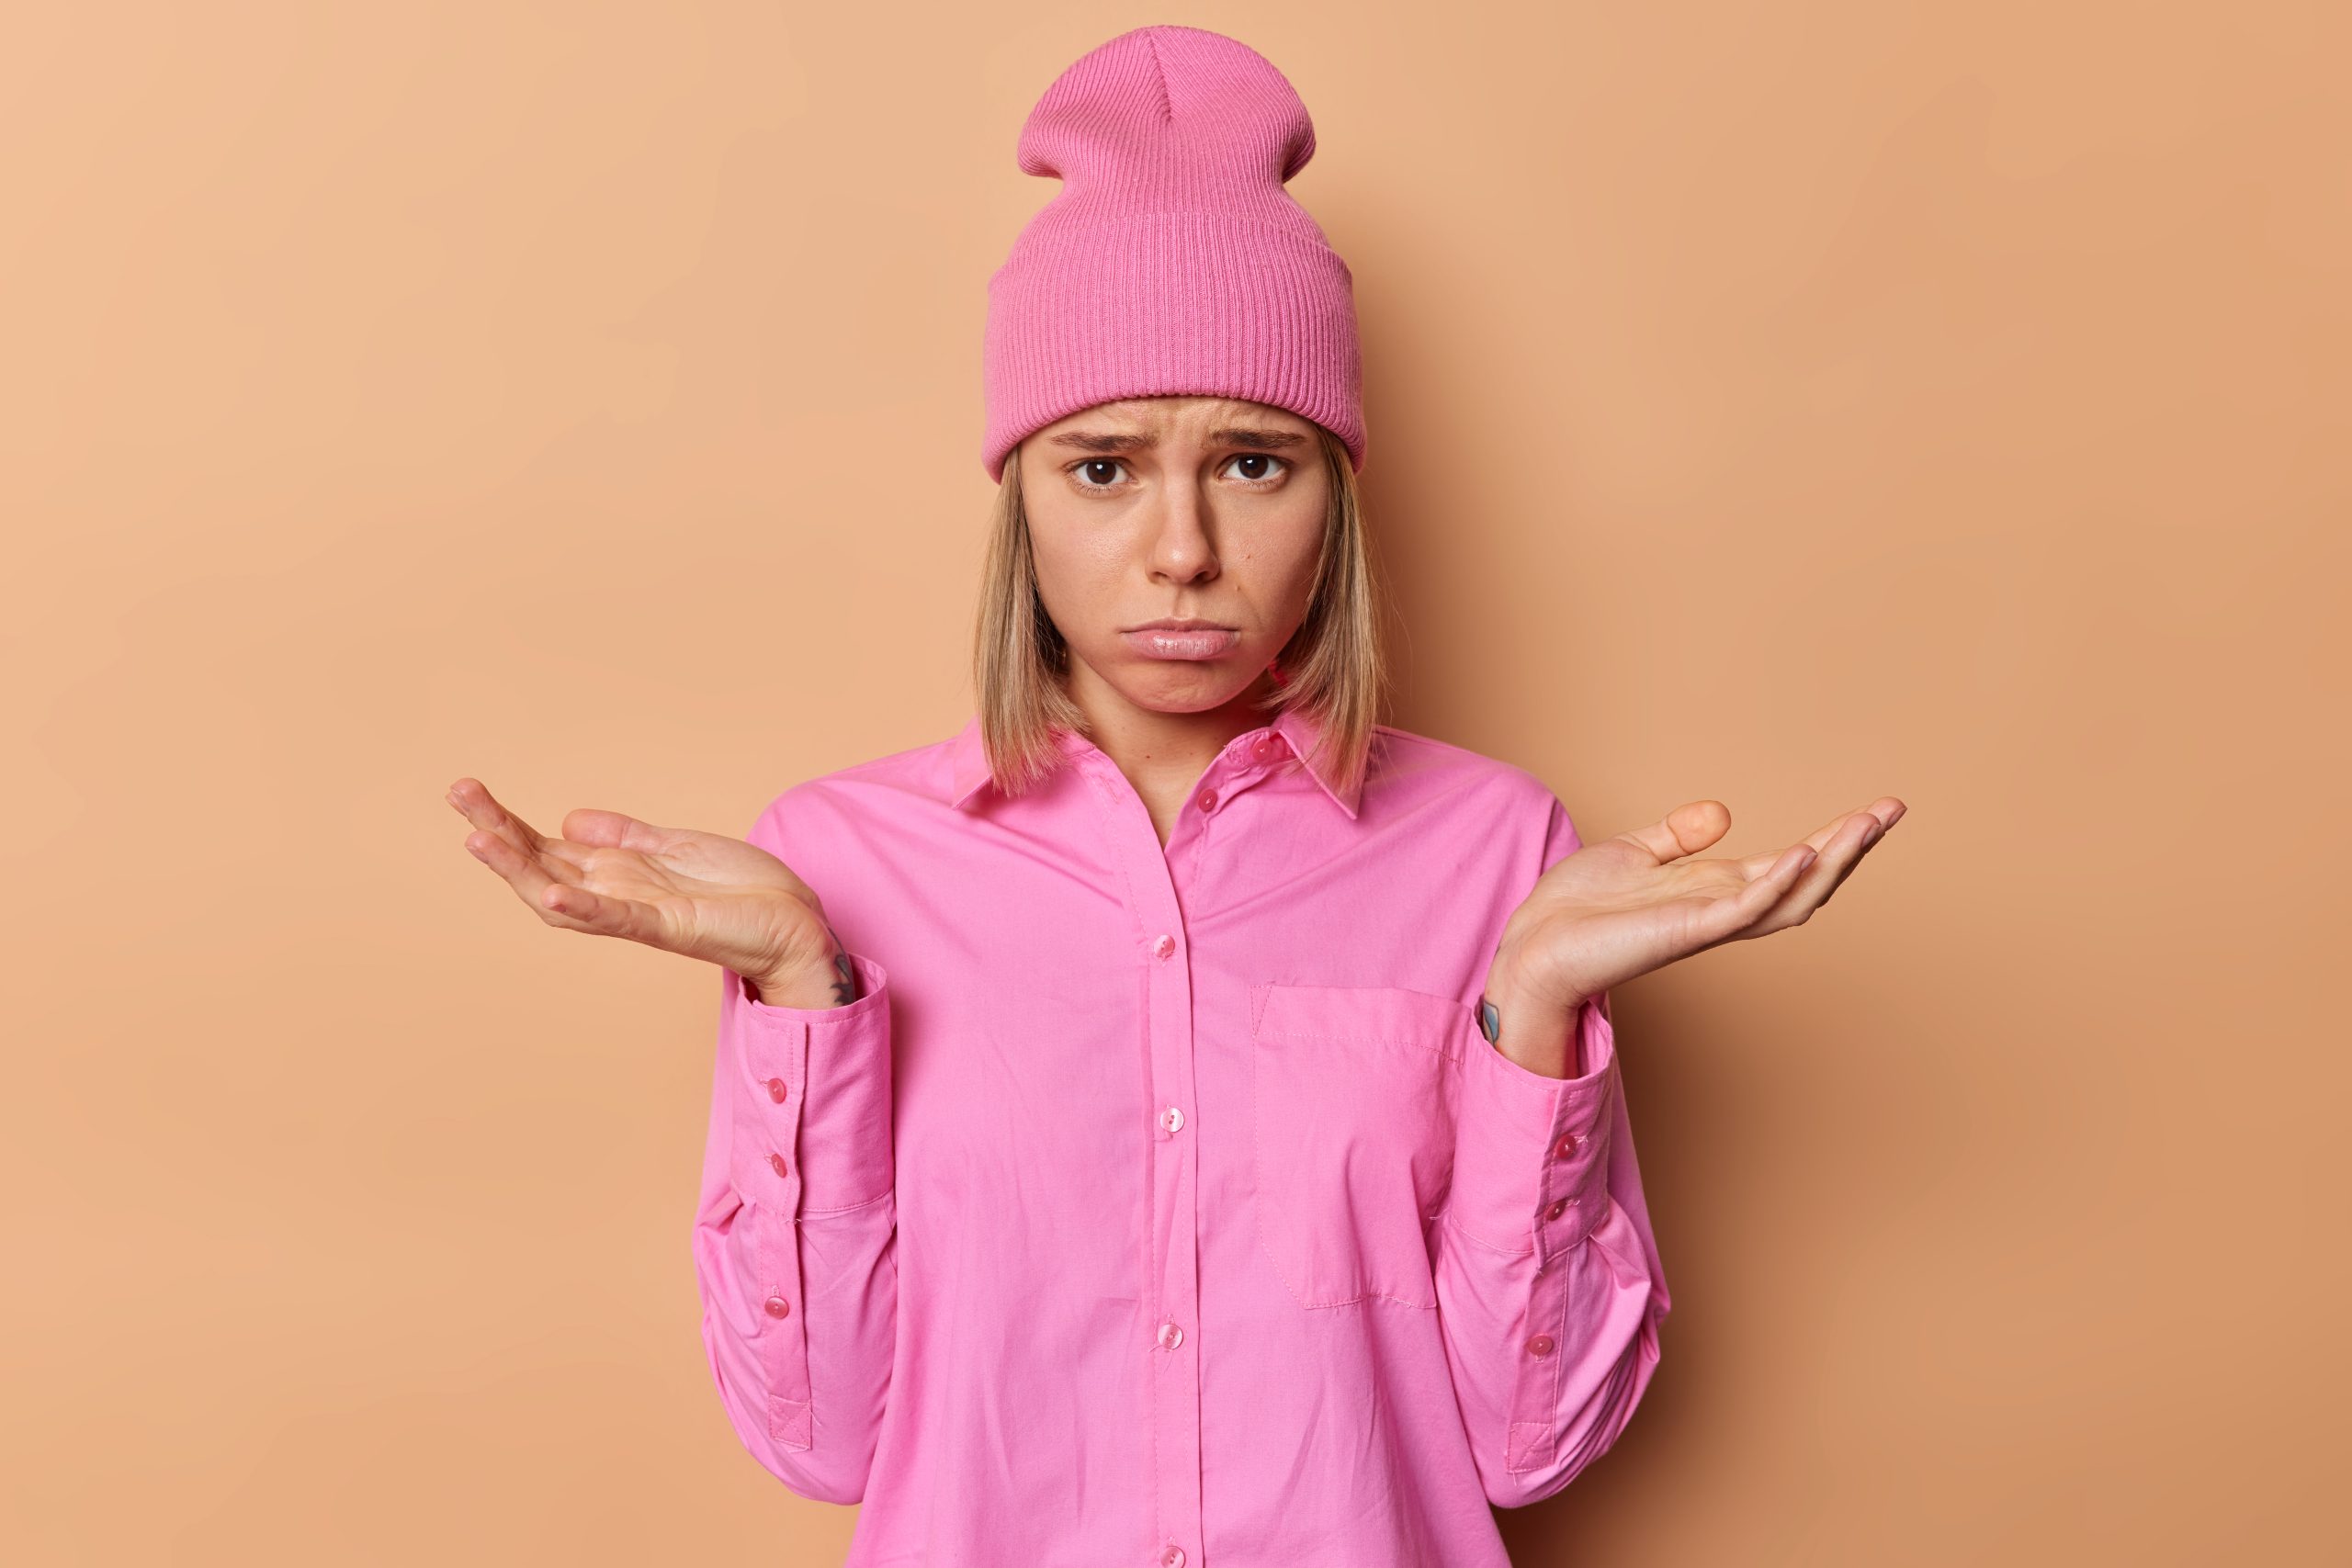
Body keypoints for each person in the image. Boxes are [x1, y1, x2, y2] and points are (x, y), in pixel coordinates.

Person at [448, 25, 1902, 1567]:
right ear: (1020, 495)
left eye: (1255, 463)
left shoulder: (1500, 857)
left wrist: (1532, 1009)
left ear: (1334, 490)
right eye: (1104, 467)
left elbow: (1525, 1447)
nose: (1183, 549)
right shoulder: (837, 865)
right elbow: (819, 1441)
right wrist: (805, 992)